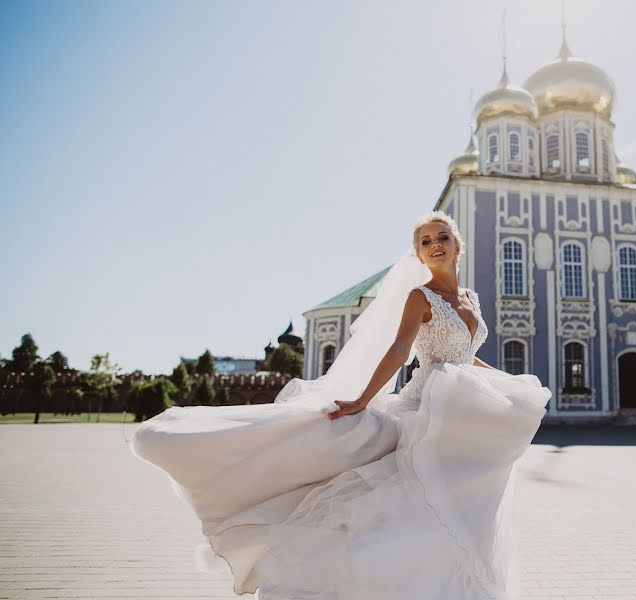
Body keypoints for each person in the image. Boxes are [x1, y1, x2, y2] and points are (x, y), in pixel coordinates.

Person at [130, 210, 551, 600]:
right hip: (428, 407)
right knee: (425, 495)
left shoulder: (471, 299)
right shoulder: (420, 298)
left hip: (460, 413)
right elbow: (400, 349)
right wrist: (364, 400)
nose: (435, 244)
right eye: (425, 241)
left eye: (442, 237)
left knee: (462, 497)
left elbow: (465, 352)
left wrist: (505, 381)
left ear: (458, 246)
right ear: (419, 254)